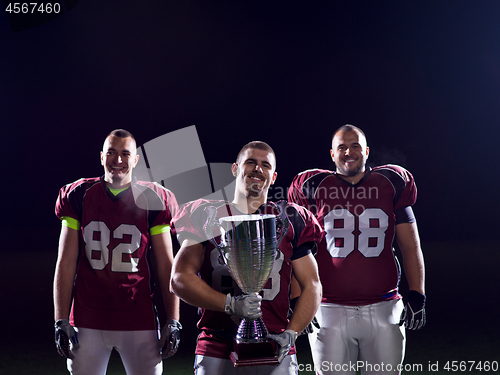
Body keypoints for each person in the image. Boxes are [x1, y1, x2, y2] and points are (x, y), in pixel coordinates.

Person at [170, 141, 323, 375]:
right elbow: (179, 278)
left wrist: (292, 333)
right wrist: (231, 305)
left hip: (275, 344)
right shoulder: (206, 214)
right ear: (235, 168)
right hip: (216, 345)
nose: (257, 169)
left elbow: (312, 284)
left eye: (265, 165)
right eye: (250, 162)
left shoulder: (290, 218)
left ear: (273, 177)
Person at [288, 125, 426, 375]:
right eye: (342, 147)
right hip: (327, 307)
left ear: (366, 151)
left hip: (384, 306)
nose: (348, 152)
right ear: (332, 154)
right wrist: (298, 300)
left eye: (355, 146)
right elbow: (299, 250)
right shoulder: (312, 185)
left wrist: (417, 292)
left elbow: (410, 245)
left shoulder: (391, 182)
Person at [53, 129, 181, 375]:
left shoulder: (154, 199)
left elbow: (166, 265)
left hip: (137, 317)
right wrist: (60, 318)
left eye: (125, 154)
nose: (118, 160)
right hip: (87, 318)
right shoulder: (79, 195)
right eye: (111, 153)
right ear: (102, 157)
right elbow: (66, 262)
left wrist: (173, 320)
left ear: (135, 160)